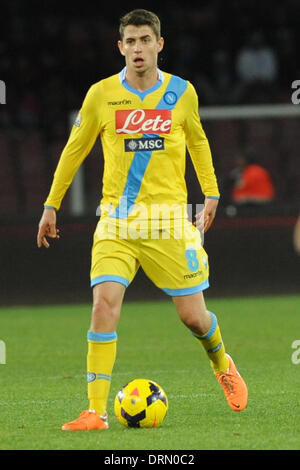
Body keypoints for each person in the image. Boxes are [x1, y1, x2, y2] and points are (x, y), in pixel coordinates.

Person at [37, 9, 248, 431]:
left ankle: (221, 361)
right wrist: (50, 203)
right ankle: (95, 412)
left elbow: (199, 141)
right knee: (103, 304)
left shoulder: (183, 93)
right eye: (130, 41)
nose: (137, 48)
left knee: (194, 317)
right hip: (116, 220)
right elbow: (74, 150)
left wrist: (211, 193)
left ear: (159, 45)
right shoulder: (100, 95)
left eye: (145, 40)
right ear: (120, 47)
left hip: (169, 220)